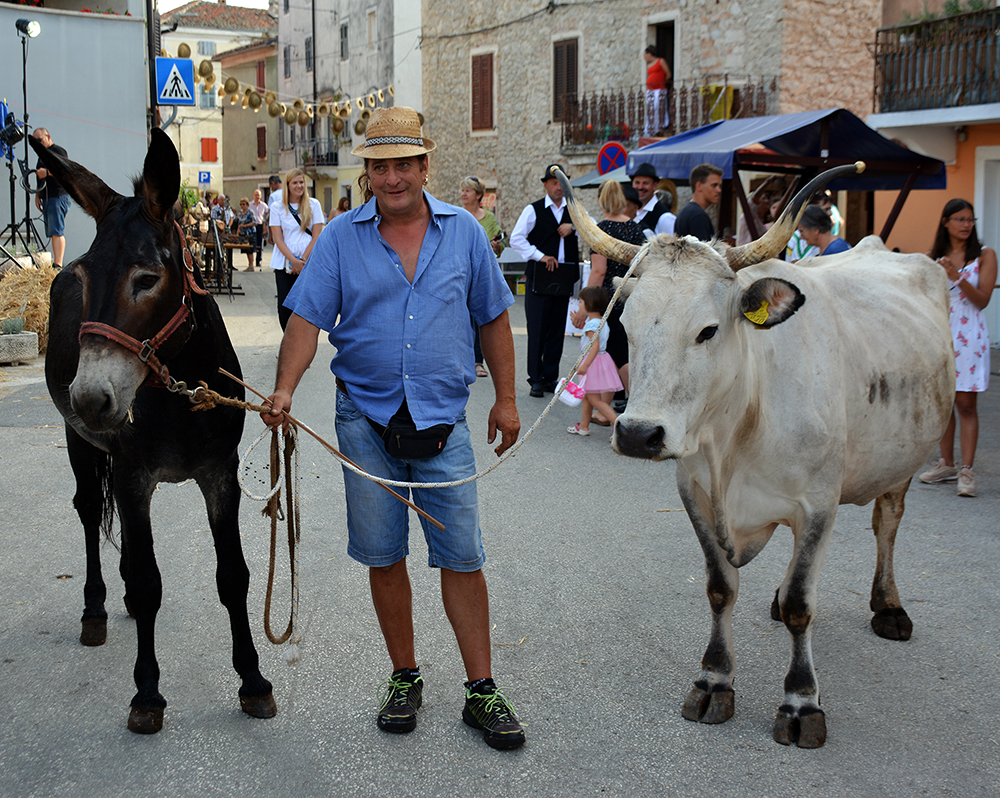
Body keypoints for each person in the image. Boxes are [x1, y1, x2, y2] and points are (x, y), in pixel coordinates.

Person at [260, 106, 525, 750]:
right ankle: (404, 677)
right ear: (368, 172)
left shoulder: (463, 232)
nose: (392, 177)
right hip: (365, 422)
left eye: (403, 164)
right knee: (385, 557)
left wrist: (507, 399)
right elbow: (306, 320)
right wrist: (286, 388)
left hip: (443, 423)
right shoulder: (341, 240)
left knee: (462, 559)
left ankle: (481, 688)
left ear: (424, 166)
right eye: (380, 166)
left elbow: (492, 317)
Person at [918, 199, 997, 497]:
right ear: (946, 222)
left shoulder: (985, 255)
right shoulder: (932, 257)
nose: (966, 225)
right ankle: (946, 463)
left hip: (970, 335)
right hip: (941, 335)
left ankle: (967, 470)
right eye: (960, 219)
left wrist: (957, 277)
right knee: (943, 403)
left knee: (966, 404)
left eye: (970, 220)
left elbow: (983, 300)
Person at [570, 179, 644, 425]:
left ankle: (637, 406)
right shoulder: (636, 229)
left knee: (618, 356)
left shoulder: (601, 229)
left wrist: (586, 304)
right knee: (618, 355)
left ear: (602, 200)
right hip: (633, 297)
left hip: (609, 301)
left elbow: (599, 271)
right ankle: (605, 410)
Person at [510, 164, 582, 397]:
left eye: (562, 183)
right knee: (537, 328)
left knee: (556, 329)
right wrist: (541, 256)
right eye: (554, 183)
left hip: (563, 276)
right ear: (546, 185)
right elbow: (516, 239)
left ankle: (551, 377)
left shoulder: (575, 211)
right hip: (540, 276)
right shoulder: (533, 210)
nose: (559, 187)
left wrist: (574, 227)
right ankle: (536, 379)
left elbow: (591, 229)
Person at [460, 175, 506, 379]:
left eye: (467, 190)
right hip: (461, 271)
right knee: (461, 317)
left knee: (481, 319)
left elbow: (500, 245)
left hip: (482, 273)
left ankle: (478, 362)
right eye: (462, 190)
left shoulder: (489, 219)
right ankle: (462, 358)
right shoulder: (458, 216)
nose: (463, 194)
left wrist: (496, 246)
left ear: (478, 195)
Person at [269, 169, 323, 330]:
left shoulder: (314, 204)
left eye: (301, 182)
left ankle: (303, 348)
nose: (299, 186)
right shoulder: (277, 207)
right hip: (284, 263)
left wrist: (302, 261)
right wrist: (293, 262)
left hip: (308, 263)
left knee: (306, 307)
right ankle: (288, 345)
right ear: (288, 185)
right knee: (284, 307)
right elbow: (278, 239)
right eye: (295, 182)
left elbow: (317, 236)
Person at [567, 286, 625, 437]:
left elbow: (594, 346)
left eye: (581, 302)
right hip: (601, 359)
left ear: (589, 304)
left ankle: (618, 423)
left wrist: (585, 365)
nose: (579, 305)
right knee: (588, 396)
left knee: (594, 398)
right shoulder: (602, 321)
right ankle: (584, 426)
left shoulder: (592, 324)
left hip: (592, 362)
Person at [31, 128, 71, 267]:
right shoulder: (42, 155)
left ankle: (57, 264)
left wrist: (47, 173)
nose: (39, 143)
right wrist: (38, 195)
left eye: (40, 140)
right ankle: (56, 263)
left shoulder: (58, 151)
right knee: (52, 230)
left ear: (48, 136)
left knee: (56, 230)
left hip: (58, 195)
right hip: (48, 196)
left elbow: (65, 170)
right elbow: (39, 177)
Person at [675, 163, 722, 241]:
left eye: (719, 186)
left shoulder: (687, 211)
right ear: (699, 186)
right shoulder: (697, 215)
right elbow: (704, 251)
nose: (719, 190)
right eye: (714, 185)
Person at [630, 162, 675, 238]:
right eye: (637, 182)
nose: (640, 187)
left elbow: (672, 248)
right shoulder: (631, 211)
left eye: (645, 183)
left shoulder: (665, 218)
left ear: (655, 185)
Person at [643, 45, 671, 136]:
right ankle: (651, 127)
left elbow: (668, 74)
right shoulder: (649, 65)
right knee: (651, 108)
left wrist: (662, 82)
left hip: (659, 89)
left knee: (658, 106)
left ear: (649, 54)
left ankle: (660, 126)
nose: (644, 57)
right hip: (650, 90)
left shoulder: (661, 61)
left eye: (645, 55)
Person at [248, 189, 268, 270]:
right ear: (253, 195)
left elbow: (266, 217)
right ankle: (251, 262)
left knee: (259, 243)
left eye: (259, 195)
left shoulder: (264, 205)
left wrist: (265, 229)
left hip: (260, 225)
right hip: (252, 226)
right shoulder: (250, 204)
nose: (257, 196)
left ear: (261, 196)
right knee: (252, 243)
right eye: (256, 195)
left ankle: (258, 260)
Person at [235, 197, 257, 271]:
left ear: (247, 204)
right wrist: (238, 232)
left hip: (250, 233)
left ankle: (251, 265)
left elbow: (254, 222)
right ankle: (249, 265)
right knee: (246, 250)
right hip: (243, 234)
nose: (242, 206)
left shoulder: (250, 212)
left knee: (250, 250)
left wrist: (245, 226)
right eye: (241, 204)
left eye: (243, 204)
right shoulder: (240, 213)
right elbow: (239, 223)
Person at [265, 174, 283, 245]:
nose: (271, 188)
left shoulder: (273, 196)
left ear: (273, 183)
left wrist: (270, 234)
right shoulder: (289, 192)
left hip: (278, 226)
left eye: (271, 186)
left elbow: (271, 215)